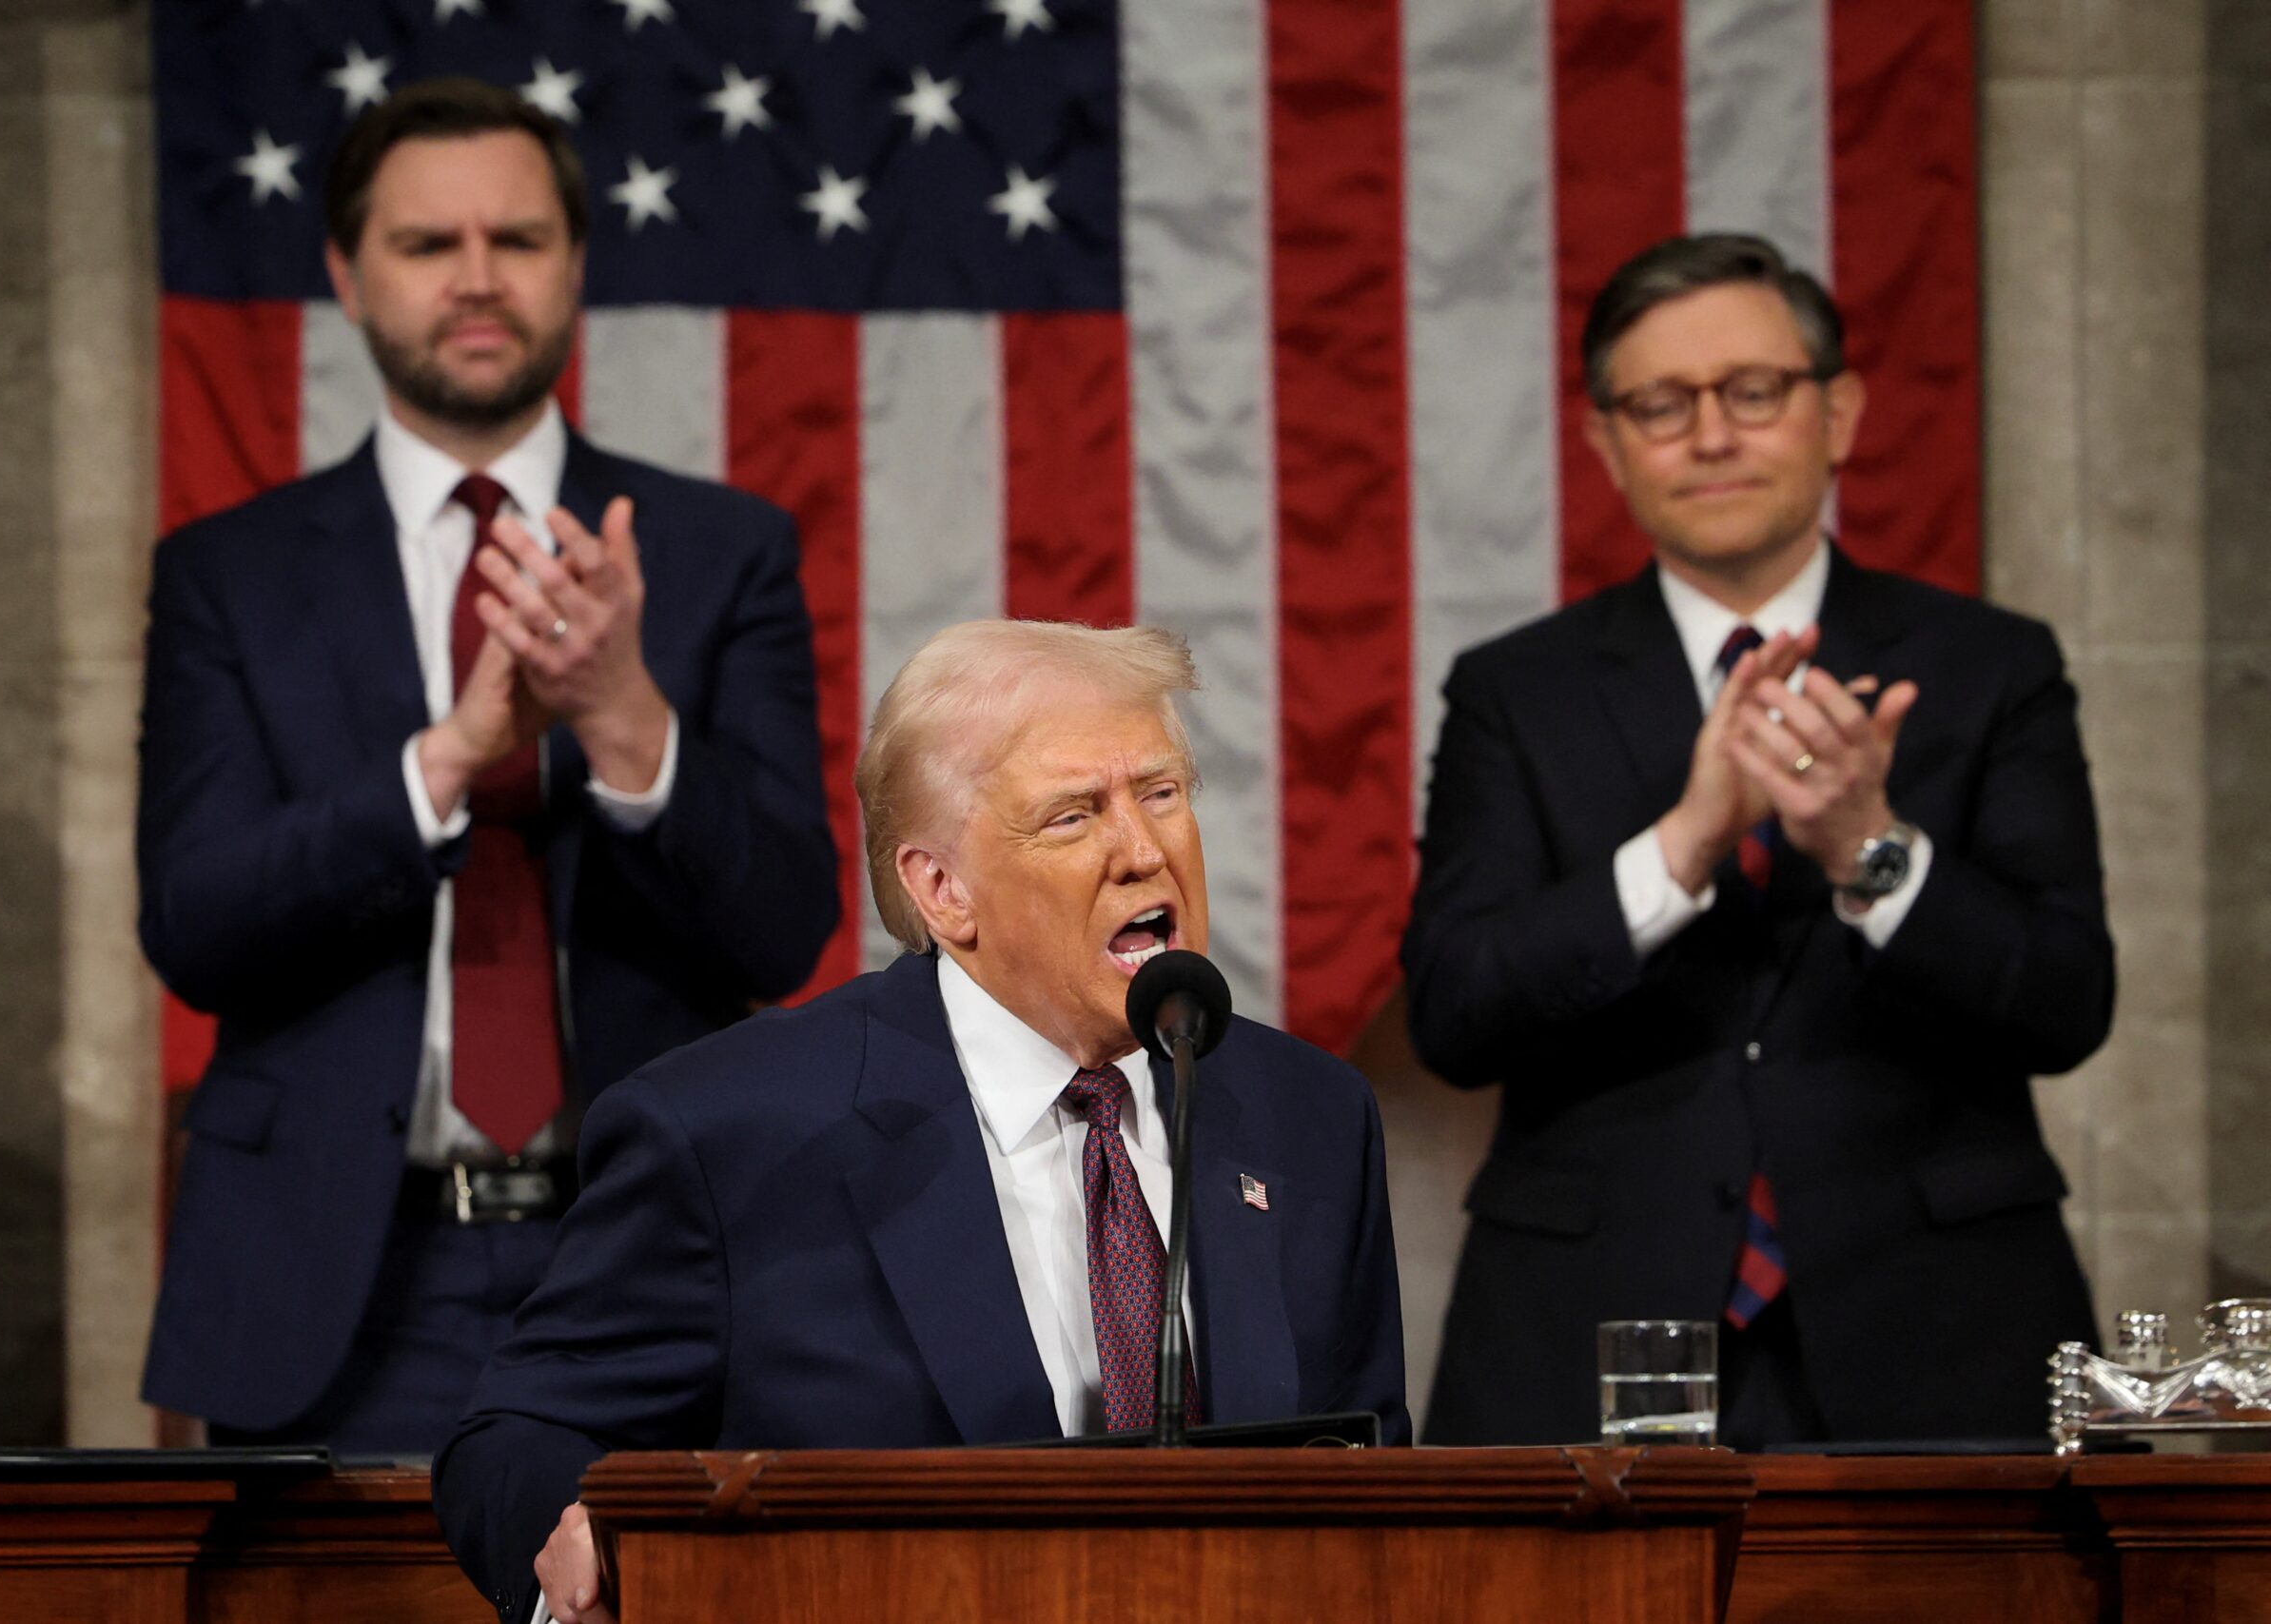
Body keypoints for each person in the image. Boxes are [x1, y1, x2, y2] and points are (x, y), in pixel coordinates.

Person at [433, 620, 1409, 1624]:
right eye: (1073, 817)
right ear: (942, 892)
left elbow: (1376, 1489)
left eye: (1160, 793)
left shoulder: (1307, 1116)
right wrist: (585, 1536)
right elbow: (515, 1439)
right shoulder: (729, 1132)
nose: (1143, 849)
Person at [136, 78, 837, 1454]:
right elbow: (196, 924)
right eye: (426, 244)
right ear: (346, 272)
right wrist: (449, 758)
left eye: (516, 240)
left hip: (653, 1261)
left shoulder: (713, 553)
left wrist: (626, 715)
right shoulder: (229, 573)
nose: (476, 280)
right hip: (339, 1287)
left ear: (575, 263)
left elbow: (787, 924)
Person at [1404, 233, 2110, 1449]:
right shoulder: (1515, 692)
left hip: (1940, 1336)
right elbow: (1455, 1017)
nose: (1711, 436)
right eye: (1661, 405)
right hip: (1589, 1334)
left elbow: (2067, 1003)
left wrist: (1867, 849)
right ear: (1605, 443)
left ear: (1835, 412)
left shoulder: (1990, 667)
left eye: (1751, 392)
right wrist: (1678, 848)